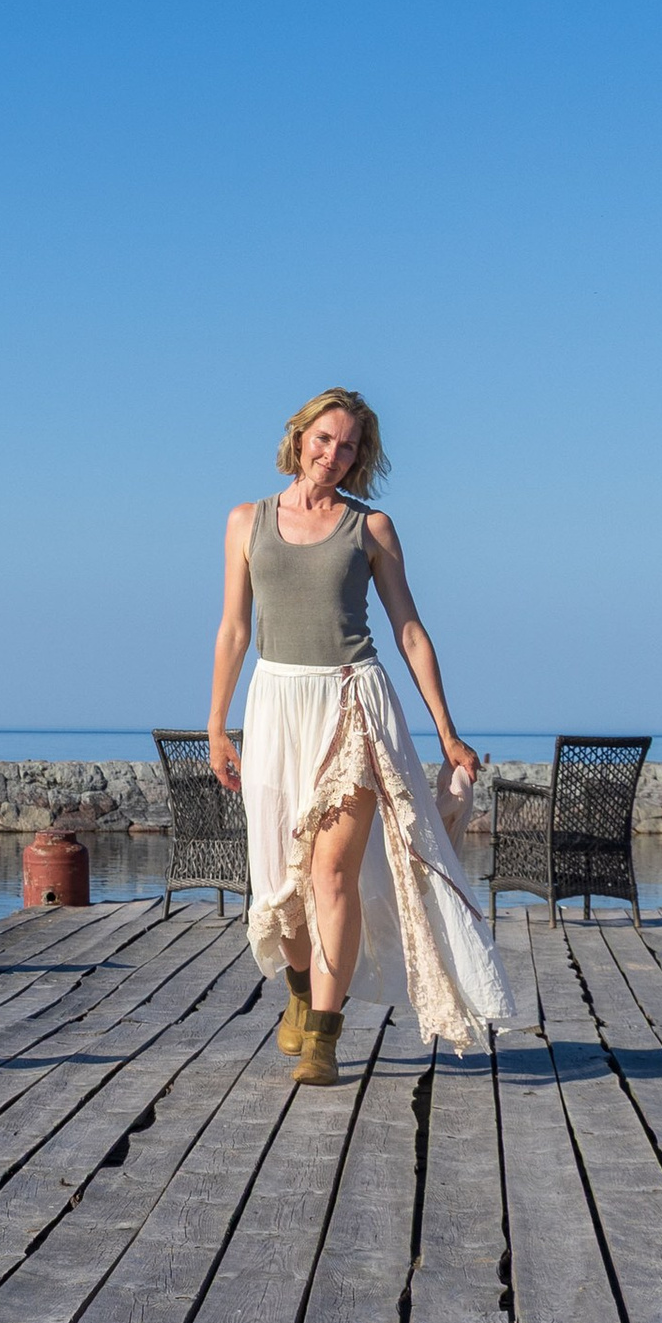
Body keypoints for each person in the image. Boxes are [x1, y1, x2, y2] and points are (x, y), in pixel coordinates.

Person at [207, 389, 508, 1085]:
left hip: (353, 704)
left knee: (332, 874)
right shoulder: (244, 522)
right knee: (283, 889)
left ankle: (323, 1036)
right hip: (277, 704)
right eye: (323, 440)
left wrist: (448, 732)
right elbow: (234, 631)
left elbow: (408, 632)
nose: (332, 456)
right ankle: (301, 993)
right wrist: (218, 728)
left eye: (348, 447)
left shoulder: (371, 529)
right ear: (299, 435)